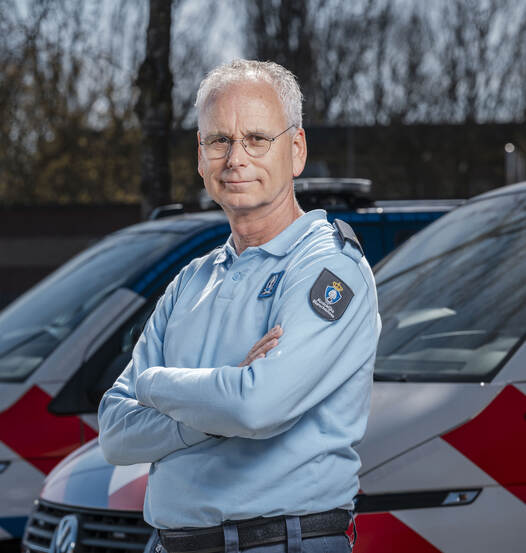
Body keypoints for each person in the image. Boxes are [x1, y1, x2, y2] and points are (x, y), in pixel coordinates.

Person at [97, 60, 381, 553]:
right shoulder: (192, 281)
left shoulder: (329, 270)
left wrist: (155, 384)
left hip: (282, 542)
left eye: (256, 138)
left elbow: (256, 407)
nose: (235, 159)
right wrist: (222, 397)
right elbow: (115, 434)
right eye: (219, 141)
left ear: (296, 150)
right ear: (200, 157)